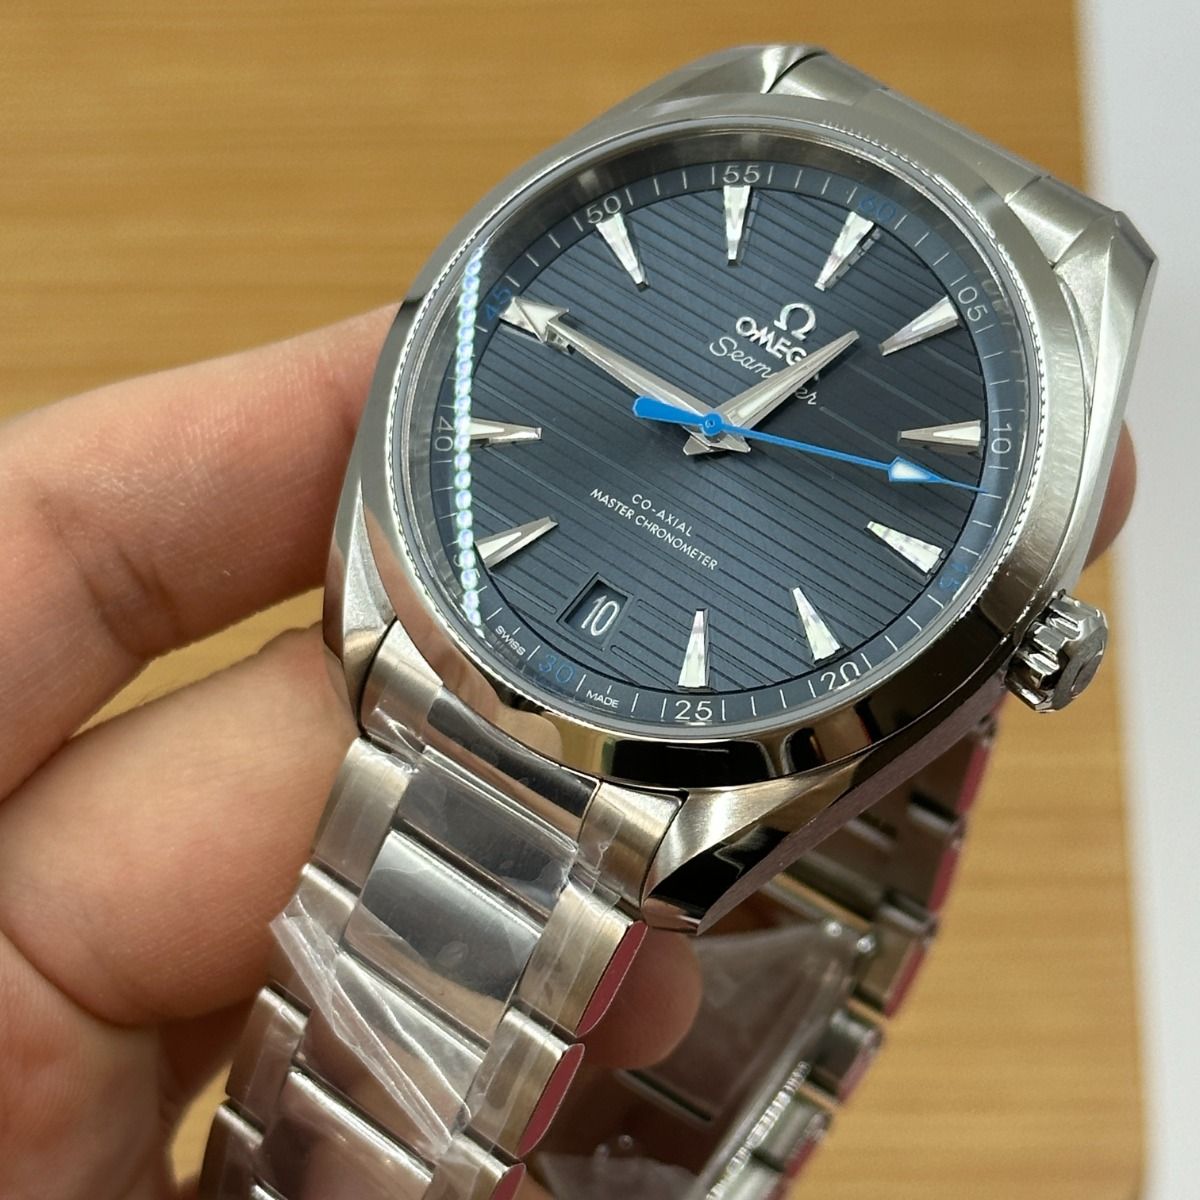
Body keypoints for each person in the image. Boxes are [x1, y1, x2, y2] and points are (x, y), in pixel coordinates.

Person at [0, 308, 1136, 1199]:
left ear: (1034, 646)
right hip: (462, 646)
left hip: (658, 764)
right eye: (704, 428)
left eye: (729, 438)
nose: (713, 438)